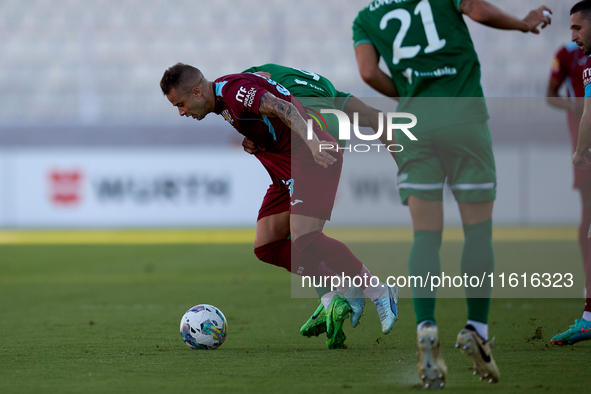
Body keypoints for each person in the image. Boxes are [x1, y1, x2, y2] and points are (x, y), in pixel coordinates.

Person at [352, 0, 551, 388]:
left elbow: (367, 71)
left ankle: (426, 325)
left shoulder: (366, 16)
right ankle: (475, 328)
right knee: (478, 231)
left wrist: (409, 92)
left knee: (425, 235)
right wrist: (523, 25)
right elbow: (476, 9)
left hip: (416, 124)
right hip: (464, 117)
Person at [159, 63, 399, 350]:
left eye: (181, 104)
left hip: (309, 154)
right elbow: (265, 79)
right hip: (283, 163)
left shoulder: (233, 92)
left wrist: (310, 141)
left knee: (306, 237)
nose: (182, 112)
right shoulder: (225, 94)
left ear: (197, 91)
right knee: (267, 245)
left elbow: (280, 105)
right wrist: (256, 137)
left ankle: (379, 291)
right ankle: (344, 289)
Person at [239, 63, 393, 341]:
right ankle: (333, 297)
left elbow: (258, 89)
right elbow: (374, 117)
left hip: (308, 137)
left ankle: (365, 291)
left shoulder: (253, 75)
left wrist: (251, 138)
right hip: (326, 136)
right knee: (271, 243)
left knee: (305, 236)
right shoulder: (326, 86)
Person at [554, 0, 591, 347]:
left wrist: (579, 152)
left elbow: (588, 114)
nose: (573, 37)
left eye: (577, 28)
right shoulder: (583, 61)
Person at [547, 40, 591, 270]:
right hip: (584, 134)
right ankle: (589, 278)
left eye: (577, 27)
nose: (574, 35)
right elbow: (550, 94)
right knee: (588, 205)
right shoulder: (567, 53)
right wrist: (571, 105)